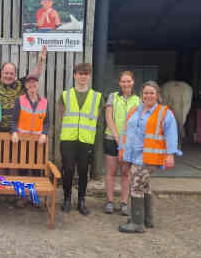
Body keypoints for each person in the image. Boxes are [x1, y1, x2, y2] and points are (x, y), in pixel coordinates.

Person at [118, 81, 179, 233]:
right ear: (141, 95)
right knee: (144, 186)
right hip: (135, 156)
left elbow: (171, 134)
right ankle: (146, 219)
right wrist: (122, 149)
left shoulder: (165, 113)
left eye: (152, 93)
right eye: (146, 93)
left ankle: (137, 223)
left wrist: (170, 155)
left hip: (151, 158)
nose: (148, 96)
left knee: (136, 185)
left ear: (157, 95)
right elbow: (126, 132)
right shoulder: (135, 111)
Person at [59, 63, 103, 216]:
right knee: (68, 170)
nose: (83, 76)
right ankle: (66, 199)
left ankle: (82, 201)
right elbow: (63, 116)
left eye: (86, 73)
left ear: (89, 76)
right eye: (80, 73)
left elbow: (96, 117)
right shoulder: (65, 95)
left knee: (84, 171)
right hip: (68, 139)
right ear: (74, 75)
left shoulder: (97, 97)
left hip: (86, 140)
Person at [104, 71, 141, 215]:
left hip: (129, 143)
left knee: (125, 173)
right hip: (112, 139)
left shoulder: (138, 100)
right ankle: (110, 201)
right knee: (111, 172)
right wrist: (117, 137)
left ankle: (124, 202)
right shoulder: (113, 97)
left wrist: (128, 140)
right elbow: (108, 117)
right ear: (119, 83)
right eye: (123, 81)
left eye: (128, 81)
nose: (126, 84)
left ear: (133, 82)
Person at [0, 46, 47, 132]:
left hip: (17, 130)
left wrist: (41, 60)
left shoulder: (20, 84)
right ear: (1, 73)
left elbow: (35, 76)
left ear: (15, 75)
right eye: (6, 73)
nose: (8, 76)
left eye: (11, 74)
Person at [11, 73, 48, 145]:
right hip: (21, 140)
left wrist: (44, 133)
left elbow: (46, 122)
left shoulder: (45, 102)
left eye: (34, 82)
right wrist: (14, 132)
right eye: (29, 82)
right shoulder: (19, 100)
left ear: (38, 84)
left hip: (37, 141)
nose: (32, 84)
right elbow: (14, 120)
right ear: (26, 85)